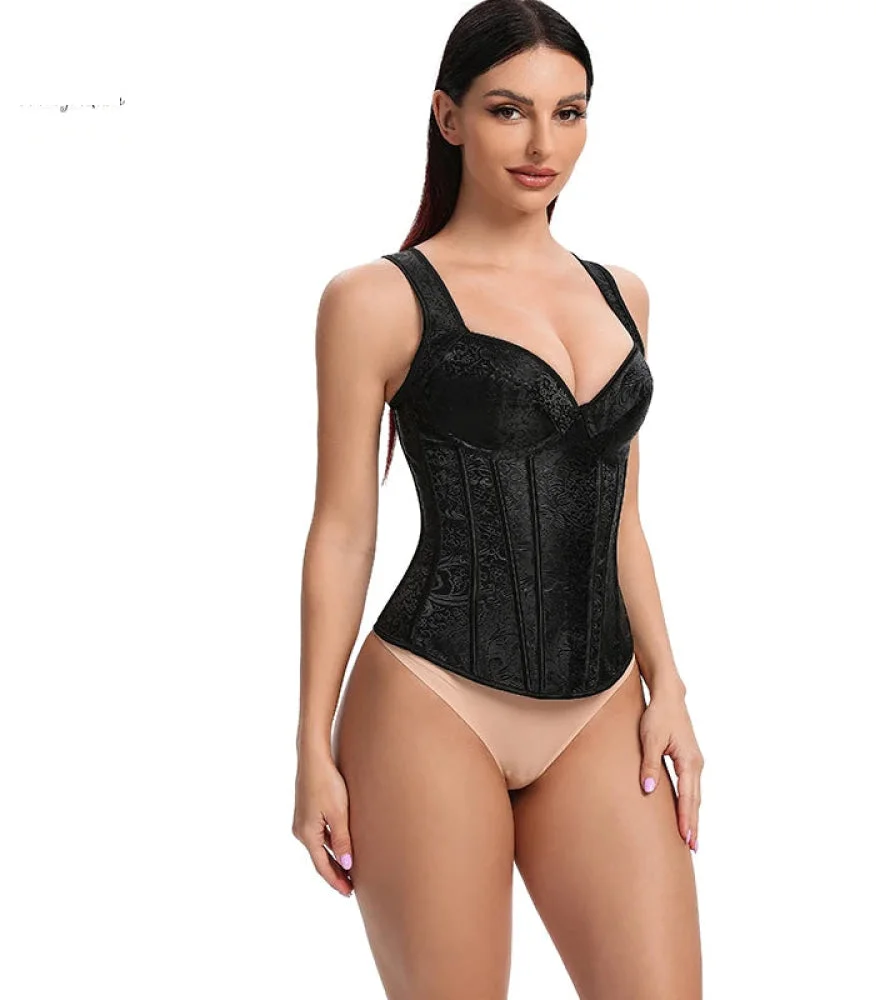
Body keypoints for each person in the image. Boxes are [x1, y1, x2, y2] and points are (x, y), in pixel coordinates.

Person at [292, 1, 704, 996]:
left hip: (603, 706)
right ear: (448, 116)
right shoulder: (376, 299)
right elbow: (343, 532)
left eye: (569, 113)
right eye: (508, 110)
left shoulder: (622, 294)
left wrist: (671, 688)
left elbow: (622, 518)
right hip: (432, 702)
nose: (541, 145)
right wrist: (310, 743)